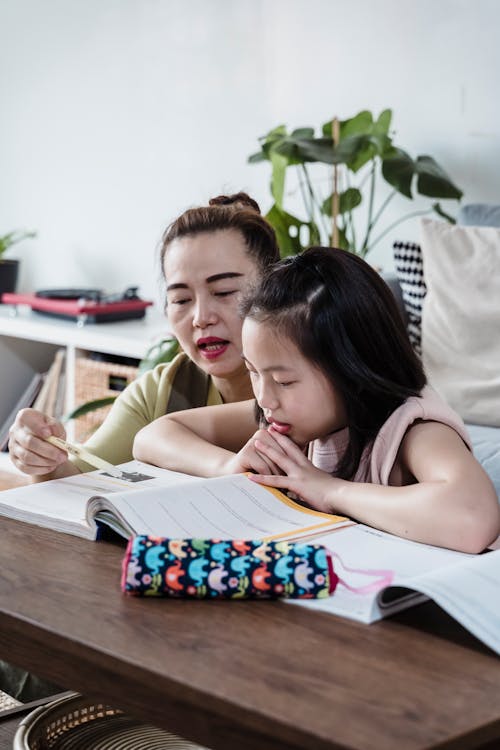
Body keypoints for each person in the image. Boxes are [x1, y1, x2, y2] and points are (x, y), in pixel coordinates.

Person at [133, 247, 500, 553]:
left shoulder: (413, 426)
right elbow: (154, 436)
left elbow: (472, 518)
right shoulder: (283, 416)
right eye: (254, 372)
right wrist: (227, 468)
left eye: (284, 380)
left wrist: (331, 490)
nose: (264, 397)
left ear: (353, 368)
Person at [8, 192, 280, 481]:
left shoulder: (317, 387)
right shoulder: (159, 393)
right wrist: (41, 455)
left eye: (224, 292)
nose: (201, 318)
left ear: (275, 290)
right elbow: (75, 479)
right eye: (181, 299)